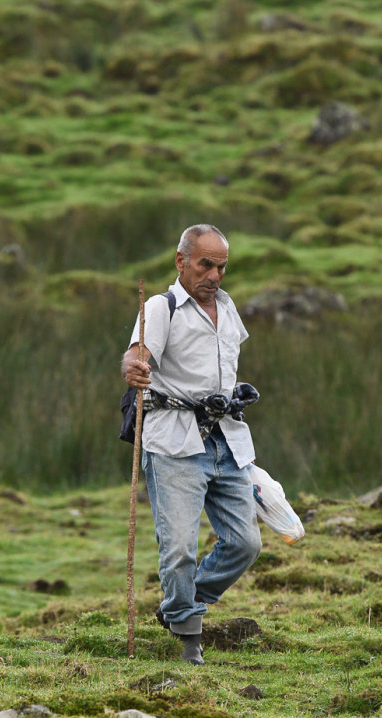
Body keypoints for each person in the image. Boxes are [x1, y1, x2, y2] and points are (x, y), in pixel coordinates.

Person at [121, 224, 261, 665]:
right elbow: (137, 353)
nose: (215, 275)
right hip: (175, 443)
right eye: (205, 264)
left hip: (228, 441)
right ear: (181, 261)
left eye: (221, 266)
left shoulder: (227, 306)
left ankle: (179, 605)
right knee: (179, 547)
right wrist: (134, 367)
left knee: (245, 543)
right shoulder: (161, 308)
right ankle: (188, 638)